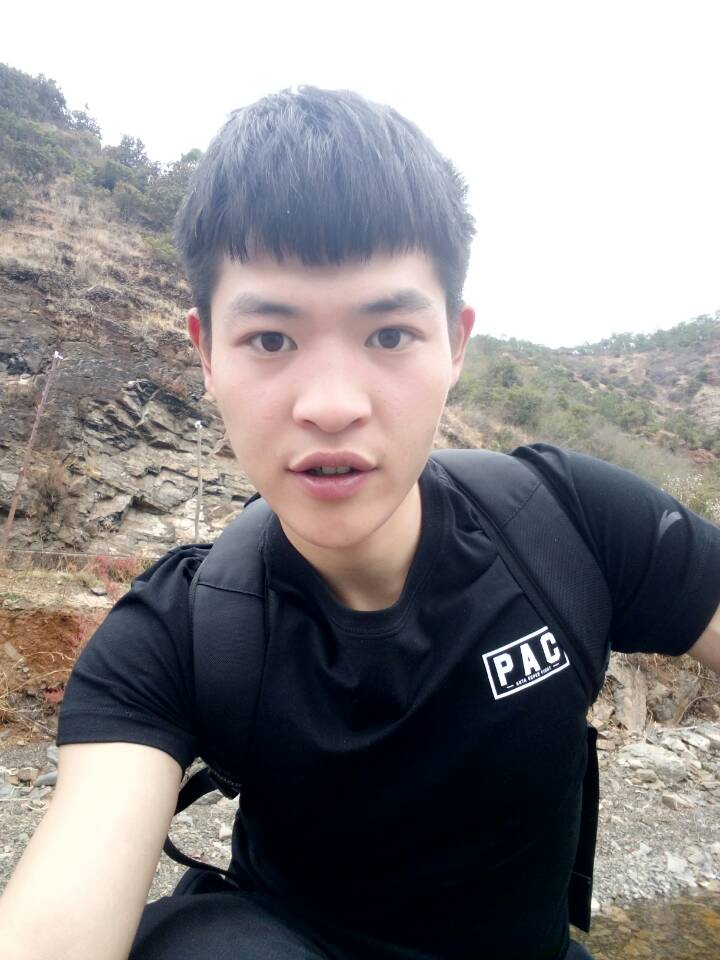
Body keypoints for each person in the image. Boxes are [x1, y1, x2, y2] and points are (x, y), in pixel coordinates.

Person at [0, 86, 718, 960]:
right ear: (207, 352)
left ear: (456, 343)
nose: (333, 405)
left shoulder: (569, 528)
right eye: (271, 339)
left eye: (389, 336)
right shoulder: (179, 633)